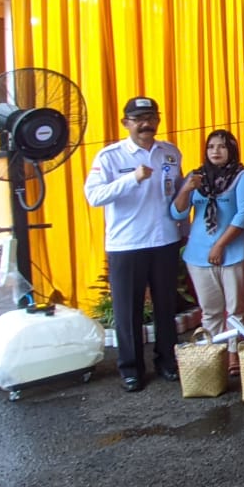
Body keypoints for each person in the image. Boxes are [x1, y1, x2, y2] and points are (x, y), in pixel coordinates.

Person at [83, 96, 184, 392]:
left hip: (165, 239)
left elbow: (178, 194)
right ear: (126, 123)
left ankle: (167, 361)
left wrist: (185, 231)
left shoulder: (170, 152)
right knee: (128, 310)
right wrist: (133, 179)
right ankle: (130, 368)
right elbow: (94, 196)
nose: (146, 124)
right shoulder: (110, 157)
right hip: (126, 244)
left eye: (151, 118)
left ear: (158, 120)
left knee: (166, 306)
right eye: (139, 119)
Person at [171, 129, 244, 377]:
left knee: (235, 309)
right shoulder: (196, 177)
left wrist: (220, 245)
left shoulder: (242, 176)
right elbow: (177, 213)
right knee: (210, 311)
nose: (215, 151)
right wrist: (186, 189)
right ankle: (215, 355)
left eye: (222, 146)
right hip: (198, 255)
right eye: (211, 147)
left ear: (232, 149)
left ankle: (234, 353)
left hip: (234, 251)